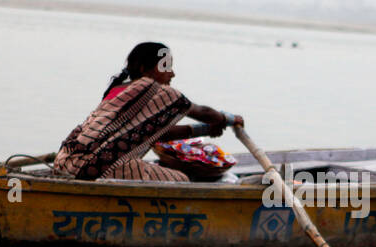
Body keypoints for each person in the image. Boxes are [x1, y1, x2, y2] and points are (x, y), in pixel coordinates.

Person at [52, 42, 244, 182]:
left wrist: (205, 130)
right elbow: (202, 111)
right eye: (165, 67)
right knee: (182, 180)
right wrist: (228, 119)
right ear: (145, 69)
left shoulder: (118, 89)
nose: (172, 73)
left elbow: (154, 133)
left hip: (64, 162)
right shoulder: (156, 89)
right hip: (99, 168)